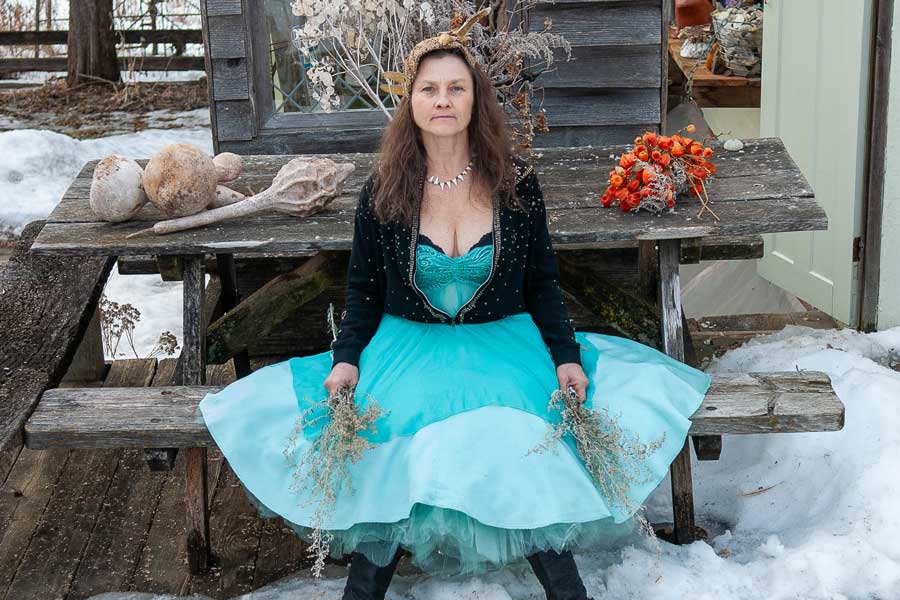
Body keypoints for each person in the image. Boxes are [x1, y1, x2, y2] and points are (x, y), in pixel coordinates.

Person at [198, 16, 712, 600]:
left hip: (503, 344)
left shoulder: (515, 183)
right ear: (411, 103)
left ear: (476, 100)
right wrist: (345, 360)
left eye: (456, 88)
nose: (443, 100)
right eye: (429, 89)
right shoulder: (384, 188)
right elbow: (363, 290)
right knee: (385, 453)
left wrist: (566, 356)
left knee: (521, 445)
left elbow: (542, 282)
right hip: (406, 347)